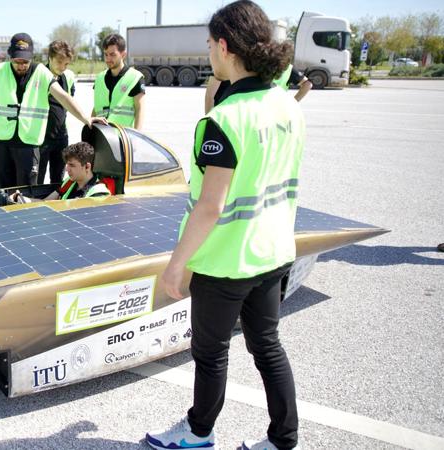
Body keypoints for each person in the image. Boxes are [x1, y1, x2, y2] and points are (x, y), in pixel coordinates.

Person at [147, 1, 305, 450]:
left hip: (224, 261)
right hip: (272, 252)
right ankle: (283, 440)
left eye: (209, 44)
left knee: (211, 354)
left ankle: (199, 433)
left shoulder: (223, 121)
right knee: (268, 347)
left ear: (223, 46)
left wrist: (177, 264)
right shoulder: (287, 106)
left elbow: (210, 207)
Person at [0, 32, 104, 189]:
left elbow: (64, 97)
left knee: (26, 194)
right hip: (0, 143)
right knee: (4, 192)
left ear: (32, 57)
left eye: (25, 61)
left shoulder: (41, 73)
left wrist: (86, 118)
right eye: (17, 60)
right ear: (10, 56)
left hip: (28, 144)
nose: (21, 65)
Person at [10, 141, 111, 203]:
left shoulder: (99, 194)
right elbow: (45, 202)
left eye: (72, 165)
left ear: (87, 167)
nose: (67, 169)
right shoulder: (70, 182)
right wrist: (21, 199)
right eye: (67, 164)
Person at [38, 40, 76, 185]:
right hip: (40, 139)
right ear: (50, 58)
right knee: (37, 181)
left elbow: (69, 102)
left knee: (57, 181)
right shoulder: (39, 75)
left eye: (66, 64)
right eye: (59, 62)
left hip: (61, 137)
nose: (62, 67)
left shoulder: (69, 77)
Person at [205, 63, 312, 114]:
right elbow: (308, 84)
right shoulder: (287, 67)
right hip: (272, 110)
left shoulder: (256, 66)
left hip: (257, 111)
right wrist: (292, 102)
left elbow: (210, 96)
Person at [92, 33, 145, 129]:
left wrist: (137, 138)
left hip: (123, 138)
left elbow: (140, 110)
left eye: (112, 55)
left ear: (123, 54)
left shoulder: (135, 78)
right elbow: (96, 109)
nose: (108, 59)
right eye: (106, 54)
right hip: (101, 136)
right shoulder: (99, 78)